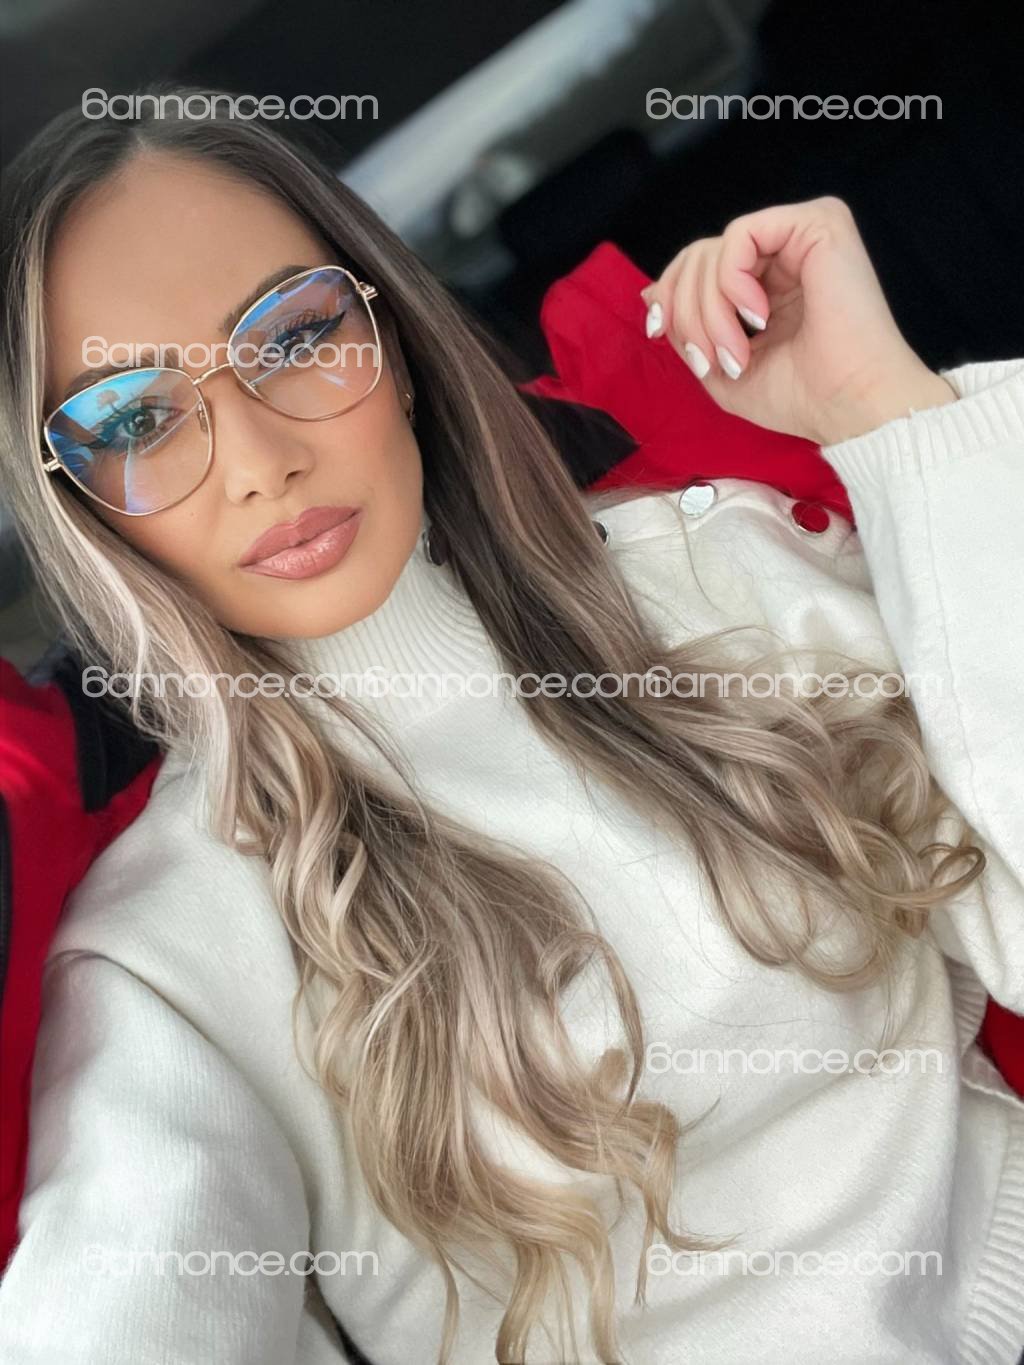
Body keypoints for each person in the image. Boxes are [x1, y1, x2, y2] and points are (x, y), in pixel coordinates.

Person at [0, 84, 1022, 1365]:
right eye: (135, 419)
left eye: (294, 336)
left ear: (393, 334)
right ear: (82, 506)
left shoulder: (716, 571)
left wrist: (886, 410)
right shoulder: (166, 951)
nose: (260, 461)